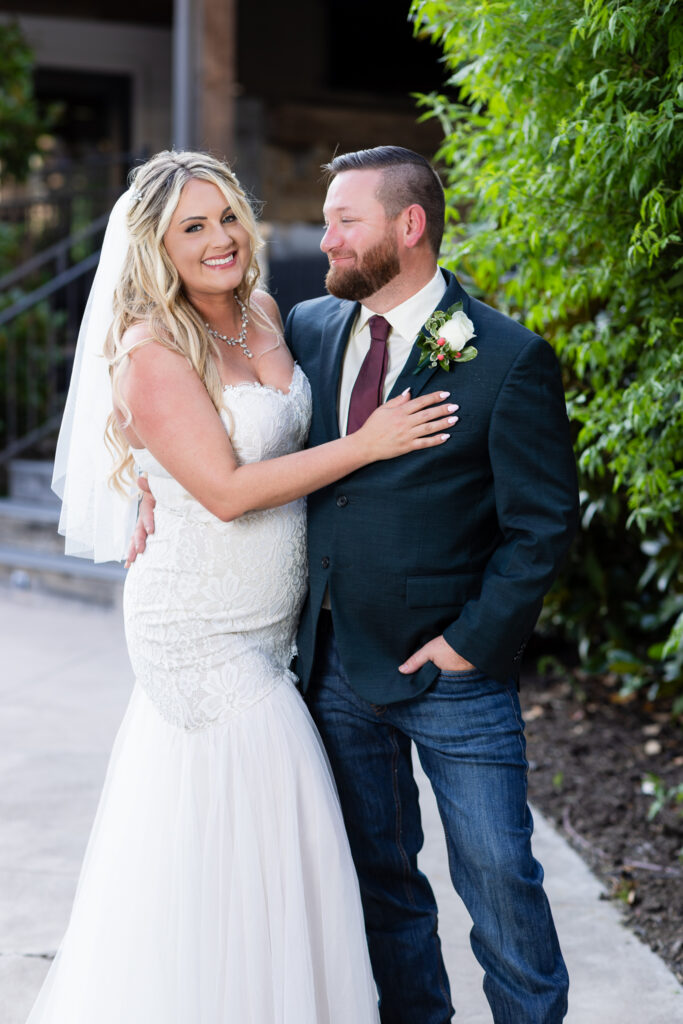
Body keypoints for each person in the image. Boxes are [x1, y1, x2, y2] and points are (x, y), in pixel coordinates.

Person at [133, 147, 579, 1023]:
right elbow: (186, 413)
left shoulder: (505, 356)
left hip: (452, 671)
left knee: (499, 882)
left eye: (345, 220)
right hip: (326, 665)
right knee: (380, 883)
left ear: (408, 227)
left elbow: (542, 528)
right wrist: (142, 485)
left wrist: (470, 643)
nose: (323, 236)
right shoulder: (300, 327)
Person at [29, 150, 457, 1024]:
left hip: (274, 625)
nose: (221, 238)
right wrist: (369, 443)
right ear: (157, 246)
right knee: (275, 822)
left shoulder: (267, 313)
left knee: (254, 852)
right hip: (198, 633)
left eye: (227, 215)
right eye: (194, 227)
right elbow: (223, 492)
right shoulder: (151, 350)